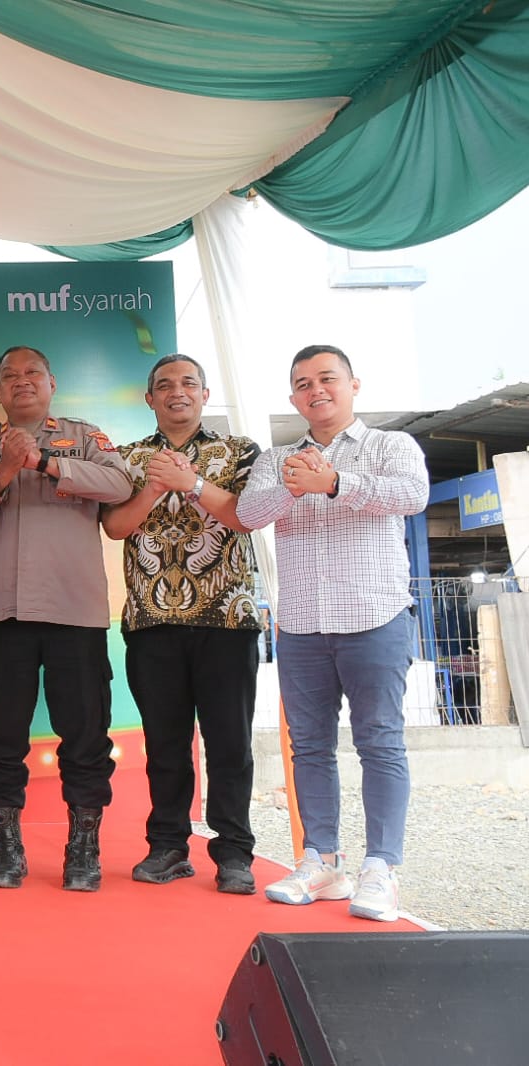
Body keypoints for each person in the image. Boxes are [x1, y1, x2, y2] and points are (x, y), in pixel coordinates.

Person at [237, 344, 428, 922]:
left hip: (375, 618)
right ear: (293, 397)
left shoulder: (391, 445)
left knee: (380, 742)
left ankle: (382, 868)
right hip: (301, 624)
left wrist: (336, 482)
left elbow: (413, 496)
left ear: (353, 385)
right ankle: (321, 861)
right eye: (303, 383)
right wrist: (294, 487)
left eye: (327, 378)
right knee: (310, 747)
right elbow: (248, 515)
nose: (315, 390)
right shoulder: (278, 458)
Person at [0, 345, 132, 892]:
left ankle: (83, 849)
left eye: (32, 372)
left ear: (52, 383)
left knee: (85, 735)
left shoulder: (85, 437)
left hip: (73, 611)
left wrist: (45, 463)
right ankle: (6, 849)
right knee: (0, 737)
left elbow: (122, 486)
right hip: (4, 614)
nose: (22, 381)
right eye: (9, 375)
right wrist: (4, 470)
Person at [102, 354, 262, 895]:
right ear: (149, 398)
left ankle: (234, 851)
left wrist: (190, 483)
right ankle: (168, 845)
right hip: (151, 621)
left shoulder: (239, 451)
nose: (177, 392)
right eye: (165, 385)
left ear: (205, 394)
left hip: (226, 619)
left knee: (230, 744)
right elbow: (115, 527)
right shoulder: (126, 458)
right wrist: (153, 488)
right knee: (165, 744)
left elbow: (245, 516)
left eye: (189, 383)